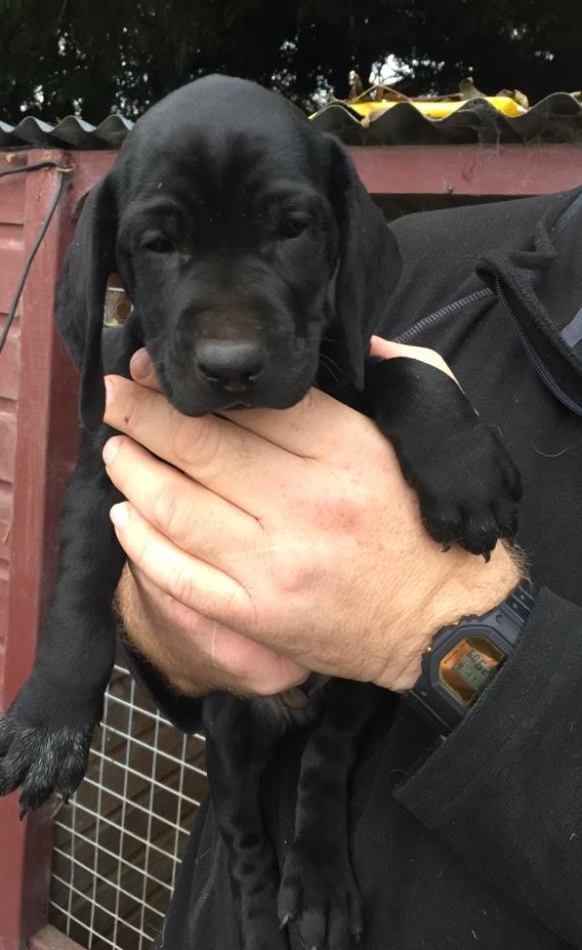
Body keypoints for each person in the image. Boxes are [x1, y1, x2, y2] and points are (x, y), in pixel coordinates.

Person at [102, 187, 582, 949]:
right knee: (237, 761)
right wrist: (161, 611)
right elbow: (167, 640)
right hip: (228, 898)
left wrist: (427, 614)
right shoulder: (417, 260)